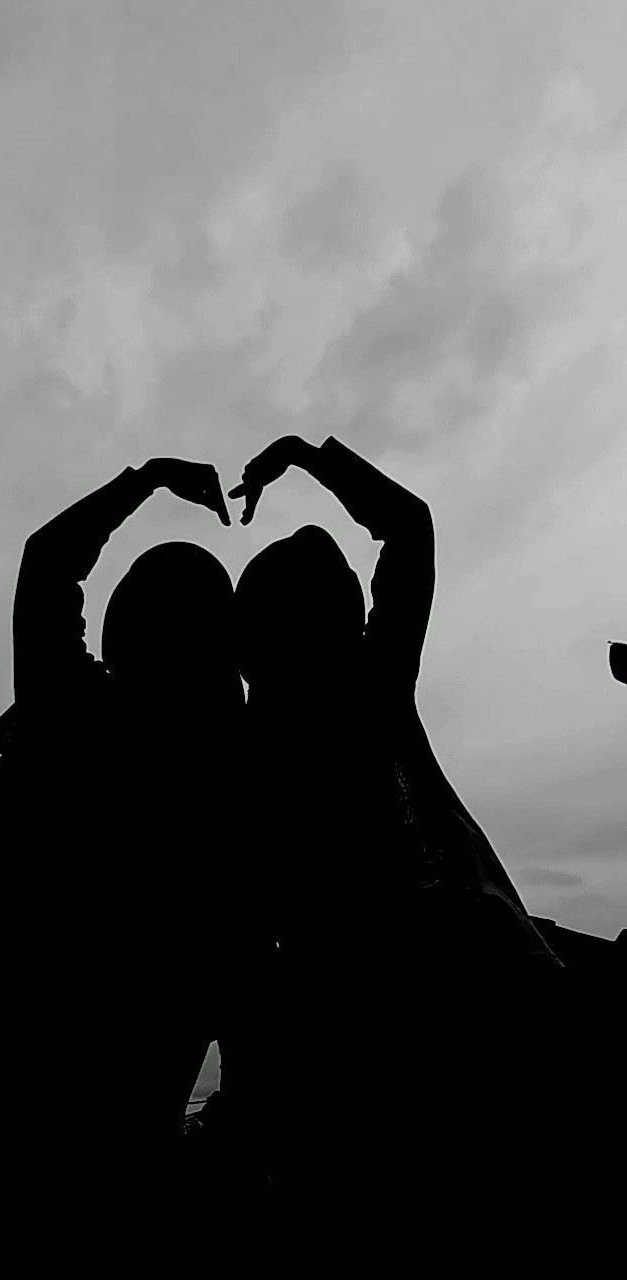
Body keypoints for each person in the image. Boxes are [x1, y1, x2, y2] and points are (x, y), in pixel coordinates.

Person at [0, 455, 247, 1249]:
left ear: (127, 626)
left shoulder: (70, 710)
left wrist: (148, 479)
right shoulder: (230, 778)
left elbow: (48, 559)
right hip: (107, 1147)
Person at [229, 435, 564, 1215]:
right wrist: (307, 457)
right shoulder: (369, 682)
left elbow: (245, 941)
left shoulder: (257, 741)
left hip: (368, 1047)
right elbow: (409, 525)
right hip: (472, 1006)